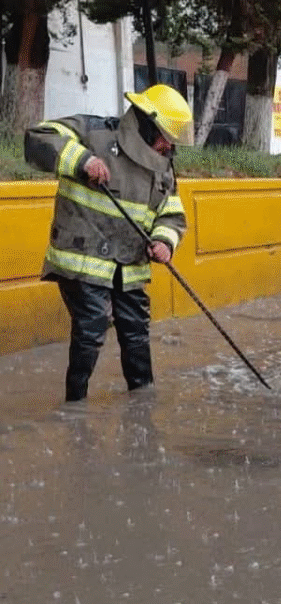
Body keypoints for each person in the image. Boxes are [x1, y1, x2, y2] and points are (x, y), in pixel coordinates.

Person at [24, 84, 193, 402]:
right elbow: (39, 136)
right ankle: (75, 405)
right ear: (146, 125)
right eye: (164, 136)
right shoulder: (94, 132)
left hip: (128, 267)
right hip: (83, 258)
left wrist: (164, 242)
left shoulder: (163, 167)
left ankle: (142, 399)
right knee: (92, 325)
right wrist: (82, 160)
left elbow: (171, 214)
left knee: (136, 329)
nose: (168, 145)